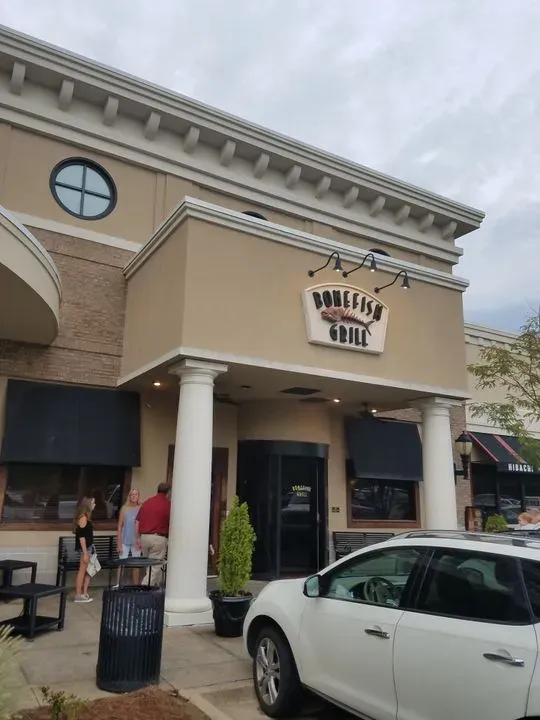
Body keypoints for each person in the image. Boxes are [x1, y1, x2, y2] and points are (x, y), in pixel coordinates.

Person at [135, 483, 171, 586]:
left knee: (149, 566)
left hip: (144, 537)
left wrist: (138, 538)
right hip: (158, 538)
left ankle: (155, 588)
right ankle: (144, 589)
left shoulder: (147, 502)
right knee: (155, 567)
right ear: (168, 492)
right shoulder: (168, 504)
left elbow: (137, 521)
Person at [114, 488, 143, 587]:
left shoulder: (141, 507)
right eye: (132, 494)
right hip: (125, 539)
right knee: (122, 562)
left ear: (138, 496)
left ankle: (136, 585)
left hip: (137, 540)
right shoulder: (124, 508)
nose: (134, 496)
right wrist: (119, 543)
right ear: (129, 497)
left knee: (136, 564)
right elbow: (119, 526)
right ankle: (118, 584)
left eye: (136, 494)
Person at [73, 496, 96, 603]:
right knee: (82, 570)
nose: (94, 505)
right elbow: (82, 537)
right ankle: (78, 595)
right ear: (88, 505)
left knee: (88, 570)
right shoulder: (83, 518)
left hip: (89, 547)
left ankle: (84, 593)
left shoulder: (87, 517)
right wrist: (85, 552)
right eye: (93, 503)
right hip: (85, 548)